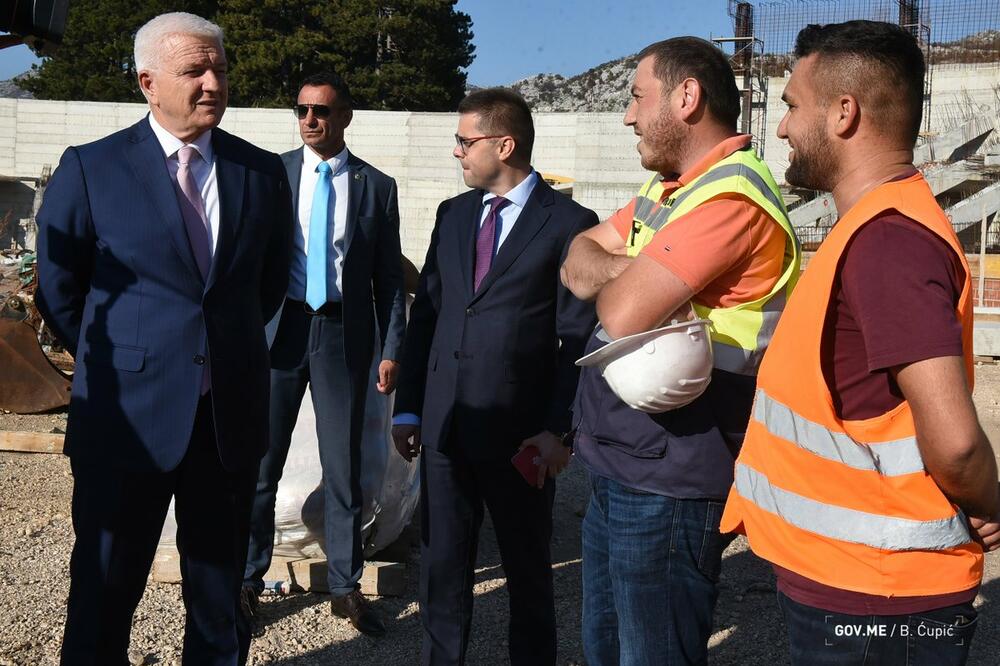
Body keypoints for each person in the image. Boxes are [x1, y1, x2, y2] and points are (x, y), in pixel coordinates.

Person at [719, 20, 1000, 665]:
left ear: (844, 113)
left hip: (877, 597)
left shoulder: (889, 244)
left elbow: (955, 441)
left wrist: (989, 502)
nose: (782, 125)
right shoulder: (870, 231)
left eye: (791, 105)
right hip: (851, 582)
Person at [34, 12, 293, 665]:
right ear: (148, 83)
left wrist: (218, 352)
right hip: (125, 421)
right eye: (194, 71)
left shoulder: (260, 174)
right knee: (103, 593)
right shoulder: (92, 168)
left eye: (220, 69)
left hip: (224, 423)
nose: (212, 82)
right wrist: (129, 356)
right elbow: (60, 291)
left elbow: (262, 288)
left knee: (217, 598)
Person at [560, 37, 800, 664]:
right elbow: (576, 258)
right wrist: (646, 266)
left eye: (638, 97)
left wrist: (629, 274)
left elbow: (616, 308)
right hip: (626, 460)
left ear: (686, 97)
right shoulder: (669, 190)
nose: (628, 115)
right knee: (606, 648)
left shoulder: (730, 198)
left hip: (673, 473)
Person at [391, 88, 597, 666]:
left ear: (504, 144)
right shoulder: (454, 216)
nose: (456, 151)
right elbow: (427, 314)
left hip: (519, 434)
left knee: (527, 572)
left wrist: (558, 429)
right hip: (445, 428)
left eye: (465, 140)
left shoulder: (569, 224)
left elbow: (576, 338)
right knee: (441, 569)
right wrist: (409, 407)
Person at [241, 71, 406, 637]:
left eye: (322, 111)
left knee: (344, 469)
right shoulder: (273, 175)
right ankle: (246, 580)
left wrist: (391, 347)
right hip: (280, 330)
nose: (310, 120)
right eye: (302, 110)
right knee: (262, 463)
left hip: (342, 335)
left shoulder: (376, 187)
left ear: (346, 117)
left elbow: (389, 278)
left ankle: (345, 587)